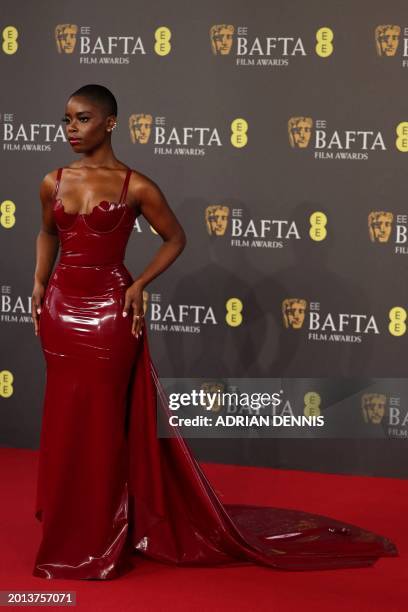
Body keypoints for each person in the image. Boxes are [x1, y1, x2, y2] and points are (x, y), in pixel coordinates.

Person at [31, 84, 398, 580]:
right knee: (64, 418)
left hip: (111, 312)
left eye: (83, 119)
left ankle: (100, 534)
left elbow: (175, 238)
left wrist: (139, 283)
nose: (72, 129)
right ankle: (65, 523)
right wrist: (38, 282)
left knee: (101, 425)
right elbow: (48, 233)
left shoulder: (135, 185)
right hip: (60, 311)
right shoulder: (52, 180)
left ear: (111, 123)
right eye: (67, 120)